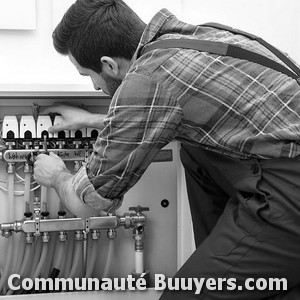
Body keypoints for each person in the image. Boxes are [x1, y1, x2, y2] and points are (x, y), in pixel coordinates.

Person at [33, 0, 300, 298]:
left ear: (108, 64)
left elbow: (90, 201)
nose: (95, 86)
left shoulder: (146, 82)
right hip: (281, 163)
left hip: (289, 194)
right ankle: (236, 270)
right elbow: (165, 113)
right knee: (194, 150)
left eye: (89, 75)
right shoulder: (196, 38)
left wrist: (56, 175)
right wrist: (95, 119)